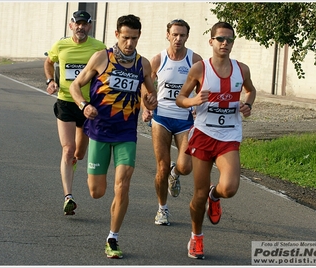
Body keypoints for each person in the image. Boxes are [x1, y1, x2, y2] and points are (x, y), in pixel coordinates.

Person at [69, 14, 158, 259]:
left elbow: (151, 94)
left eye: (135, 38)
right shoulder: (101, 58)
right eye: (126, 37)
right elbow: (75, 86)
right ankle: (88, 173)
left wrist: (150, 101)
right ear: (117, 35)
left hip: (126, 132)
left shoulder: (143, 64)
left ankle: (113, 237)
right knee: (96, 192)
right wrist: (84, 105)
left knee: (123, 185)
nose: (130, 43)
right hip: (99, 129)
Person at [176, 21, 256, 259]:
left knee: (229, 188)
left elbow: (250, 90)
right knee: (198, 194)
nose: (225, 43)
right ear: (211, 42)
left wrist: (247, 104)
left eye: (229, 39)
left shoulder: (242, 70)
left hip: (229, 135)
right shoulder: (200, 69)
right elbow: (181, 98)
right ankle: (196, 237)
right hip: (203, 134)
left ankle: (216, 195)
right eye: (220, 39)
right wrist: (193, 101)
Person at [44, 10, 106, 216]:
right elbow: (49, 61)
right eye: (76, 24)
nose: (80, 27)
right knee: (68, 149)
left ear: (89, 26)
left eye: (84, 24)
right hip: (66, 102)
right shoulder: (61, 45)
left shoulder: (99, 48)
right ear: (71, 26)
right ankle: (68, 197)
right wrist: (50, 80)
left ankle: (73, 164)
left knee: (79, 154)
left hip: (88, 106)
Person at [141, 19, 202, 226]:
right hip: (162, 117)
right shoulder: (159, 59)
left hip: (185, 118)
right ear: (167, 35)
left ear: (187, 37)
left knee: (186, 167)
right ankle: (162, 209)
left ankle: (175, 174)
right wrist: (145, 107)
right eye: (174, 34)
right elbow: (146, 84)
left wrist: (197, 105)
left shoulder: (195, 60)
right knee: (162, 166)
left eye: (182, 35)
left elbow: (204, 87)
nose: (178, 39)